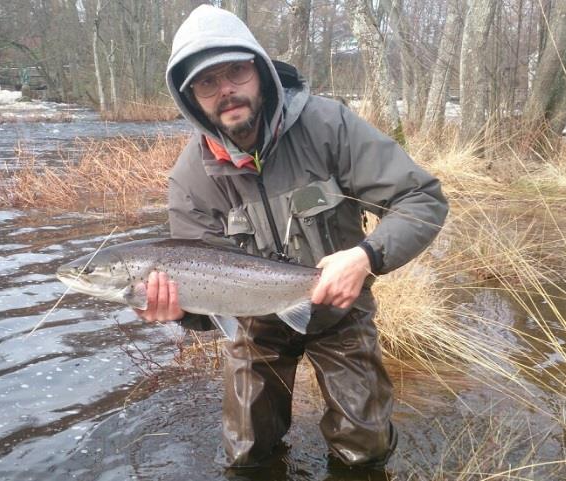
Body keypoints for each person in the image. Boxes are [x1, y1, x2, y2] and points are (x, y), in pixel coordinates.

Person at [134, 4, 449, 471]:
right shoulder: (189, 179)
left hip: (340, 309)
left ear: (260, 69)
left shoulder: (328, 125)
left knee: (365, 451)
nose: (226, 90)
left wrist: (365, 256)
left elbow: (423, 199)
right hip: (254, 325)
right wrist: (181, 312)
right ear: (190, 98)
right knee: (246, 458)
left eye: (236, 71)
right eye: (207, 82)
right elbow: (205, 299)